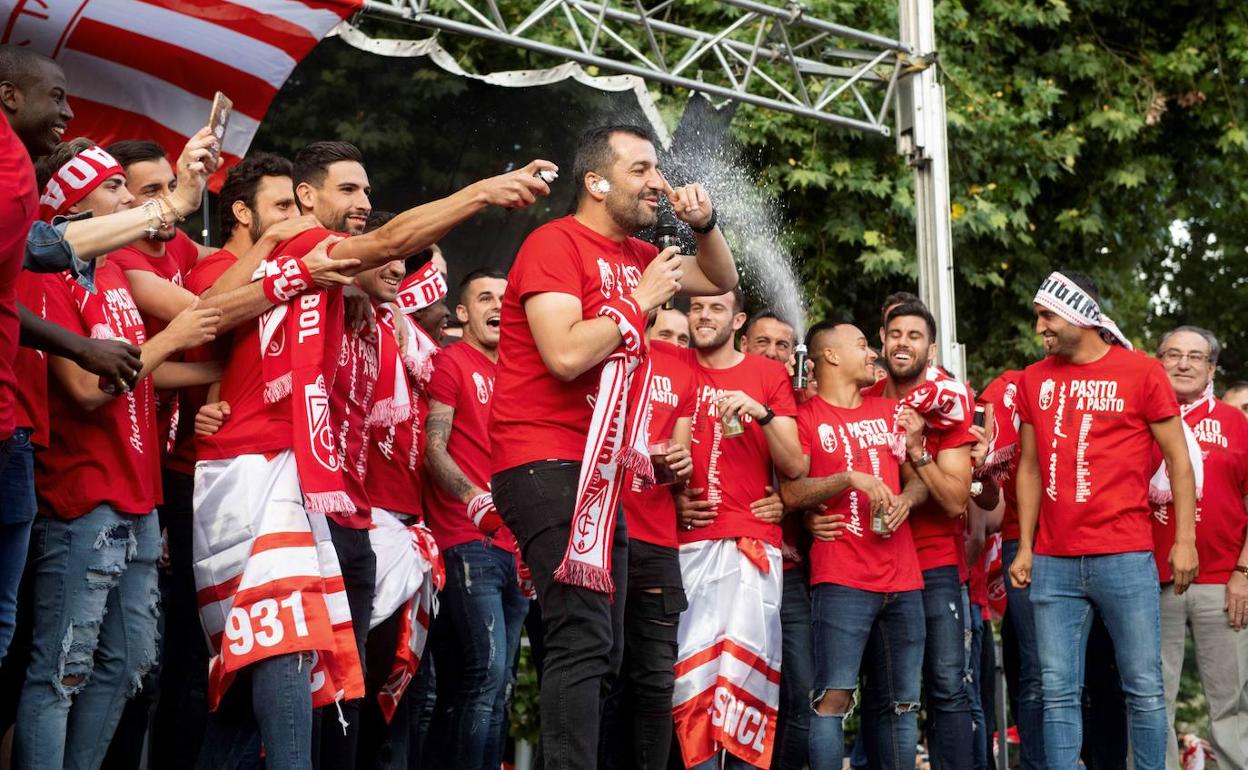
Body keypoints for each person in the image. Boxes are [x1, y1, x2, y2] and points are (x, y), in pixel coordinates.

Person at [190, 139, 554, 770]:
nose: (364, 203)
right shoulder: (304, 244)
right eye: (350, 191)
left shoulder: (340, 288)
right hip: (261, 474)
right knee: (291, 658)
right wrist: (480, 192)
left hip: (302, 486)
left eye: (366, 191)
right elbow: (387, 246)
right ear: (307, 199)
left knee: (268, 680)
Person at [489, 123, 737, 770]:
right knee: (582, 639)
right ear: (596, 182)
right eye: (642, 169)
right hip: (543, 461)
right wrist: (640, 299)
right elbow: (566, 354)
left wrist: (705, 225)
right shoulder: (553, 243)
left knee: (608, 652)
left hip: (599, 475)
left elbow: (718, 280)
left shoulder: (635, 254)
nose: (658, 181)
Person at [13, 141, 222, 770]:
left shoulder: (110, 273)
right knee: (62, 671)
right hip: (83, 497)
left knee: (130, 665)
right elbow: (83, 389)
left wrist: (222, 372)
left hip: (137, 498)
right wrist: (178, 341)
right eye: (114, 190)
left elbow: (141, 372)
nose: (130, 201)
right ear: (72, 209)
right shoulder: (43, 273)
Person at [1008, 271, 1199, 770]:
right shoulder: (1034, 378)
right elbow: (1028, 466)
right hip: (1053, 561)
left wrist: (1185, 540)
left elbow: (1179, 460)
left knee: (1144, 686)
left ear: (1077, 314)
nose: (1040, 329)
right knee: (1057, 691)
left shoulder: (1141, 372)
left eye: (1047, 317)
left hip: (1126, 555)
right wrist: (1026, 546)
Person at [779, 320, 928, 770]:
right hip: (841, 579)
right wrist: (846, 478)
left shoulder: (889, 412)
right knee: (832, 699)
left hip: (903, 579)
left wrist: (905, 500)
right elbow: (788, 493)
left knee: (903, 705)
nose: (873, 354)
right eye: (862, 345)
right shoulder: (804, 418)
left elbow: (919, 482)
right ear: (830, 356)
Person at [669, 289, 803, 769]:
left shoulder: (767, 374)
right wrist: (673, 497)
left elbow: (795, 464)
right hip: (687, 544)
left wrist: (760, 411)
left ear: (737, 319)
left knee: (748, 680)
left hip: (752, 543)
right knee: (690, 680)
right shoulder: (674, 362)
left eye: (717, 308)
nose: (705, 316)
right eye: (697, 307)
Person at [863, 300, 976, 769]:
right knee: (881, 687)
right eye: (895, 334)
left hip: (934, 562)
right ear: (882, 340)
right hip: (872, 561)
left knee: (948, 686)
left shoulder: (949, 405)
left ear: (930, 349)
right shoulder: (864, 398)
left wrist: (915, 450)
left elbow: (953, 500)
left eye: (914, 336)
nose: (902, 343)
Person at [423, 268, 528, 770]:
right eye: (485, 297)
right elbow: (433, 448)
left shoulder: (521, 372)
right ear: (462, 313)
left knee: (501, 683)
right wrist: (473, 498)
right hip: (466, 539)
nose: (498, 306)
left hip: (517, 548)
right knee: (482, 674)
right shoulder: (451, 361)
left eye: (506, 300)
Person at [601, 313, 696, 770]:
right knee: (599, 672)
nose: (676, 343)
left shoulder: (685, 373)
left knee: (658, 681)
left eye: (684, 336)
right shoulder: (611, 356)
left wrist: (680, 462)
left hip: (658, 541)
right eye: (666, 334)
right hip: (601, 529)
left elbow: (681, 462)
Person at [1151, 326, 1248, 770]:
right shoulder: (1140, 419)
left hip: (1224, 582)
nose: (1183, 364)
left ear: (1211, 368)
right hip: (1151, 581)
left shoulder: (1235, 424)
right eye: (1173, 354)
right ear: (1159, 361)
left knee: (1230, 705)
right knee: (1152, 701)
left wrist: (1243, 573)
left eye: (1195, 356)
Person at [738, 308, 811, 770]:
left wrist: (791, 502)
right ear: (743, 344)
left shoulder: (806, 404)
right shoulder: (718, 393)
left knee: (800, 695)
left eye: (782, 346)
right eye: (762, 342)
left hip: (794, 573)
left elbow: (816, 478)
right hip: (735, 564)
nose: (771, 352)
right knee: (735, 688)